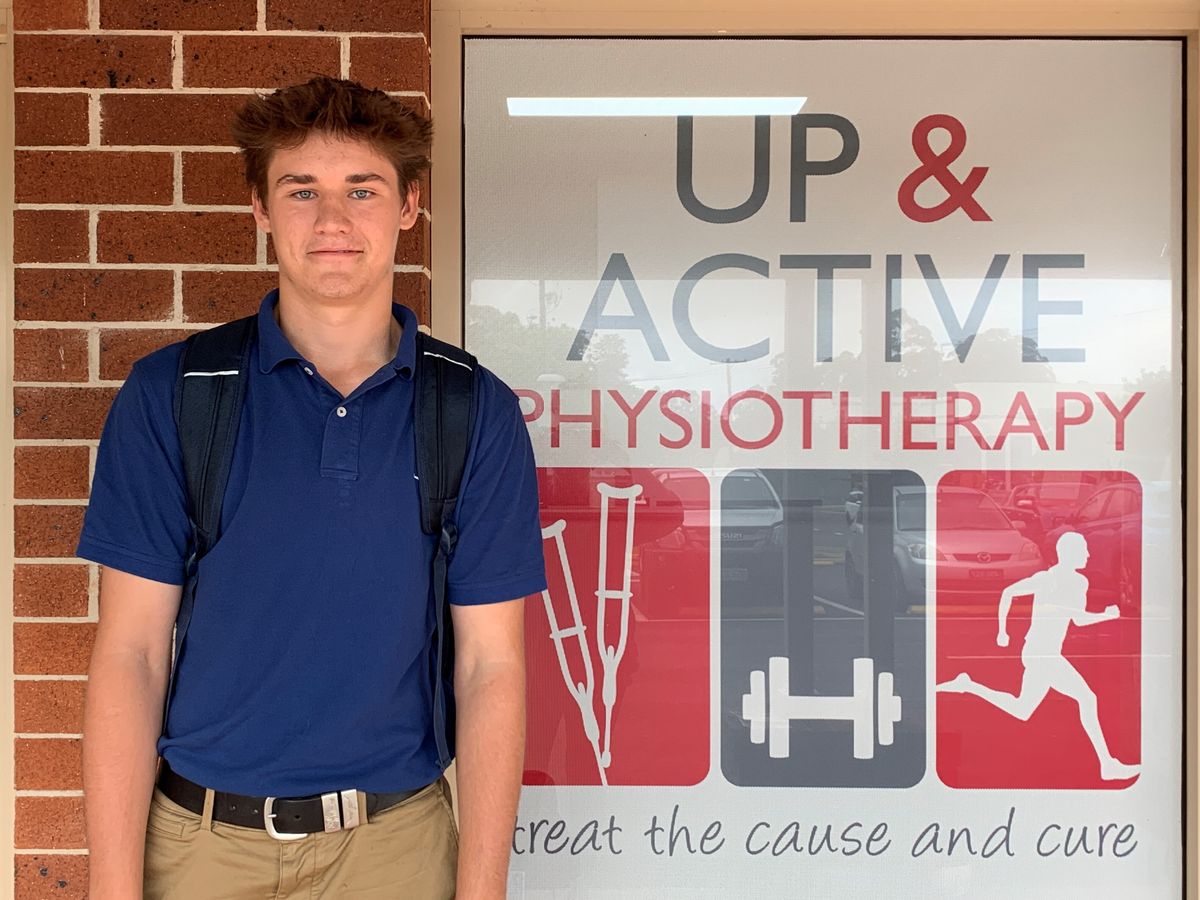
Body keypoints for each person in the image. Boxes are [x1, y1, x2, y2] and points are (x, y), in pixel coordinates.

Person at [78, 77, 546, 899]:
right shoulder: (177, 395)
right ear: (260, 209)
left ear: (408, 206)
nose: (332, 220)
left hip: (396, 848)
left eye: (362, 190)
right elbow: (132, 654)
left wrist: (483, 890)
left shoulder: (472, 410)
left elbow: (490, 667)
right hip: (200, 849)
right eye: (302, 191)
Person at [937, 531, 1139, 781]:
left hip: (1048, 653)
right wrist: (1002, 631)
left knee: (1023, 709)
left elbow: (1076, 619)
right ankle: (1107, 765)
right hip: (1039, 653)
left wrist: (1103, 616)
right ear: (1069, 553)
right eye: (1083, 550)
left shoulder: (1079, 582)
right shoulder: (1046, 580)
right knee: (1087, 698)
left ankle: (968, 685)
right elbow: (1008, 593)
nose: (1088, 554)